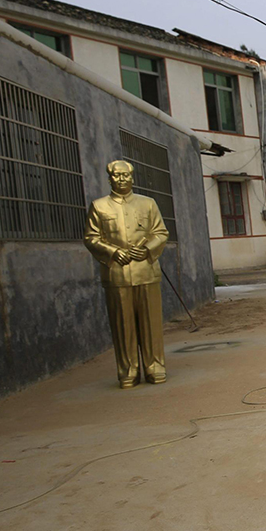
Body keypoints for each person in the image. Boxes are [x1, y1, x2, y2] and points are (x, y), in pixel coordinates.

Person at [83, 160, 170, 388]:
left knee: (150, 323)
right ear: (110, 178)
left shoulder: (148, 204)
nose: (122, 180)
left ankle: (155, 366)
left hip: (146, 271)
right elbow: (91, 238)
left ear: (133, 178)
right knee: (123, 325)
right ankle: (128, 370)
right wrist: (112, 252)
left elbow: (161, 232)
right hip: (117, 274)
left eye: (126, 176)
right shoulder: (99, 206)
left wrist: (147, 249)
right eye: (117, 176)